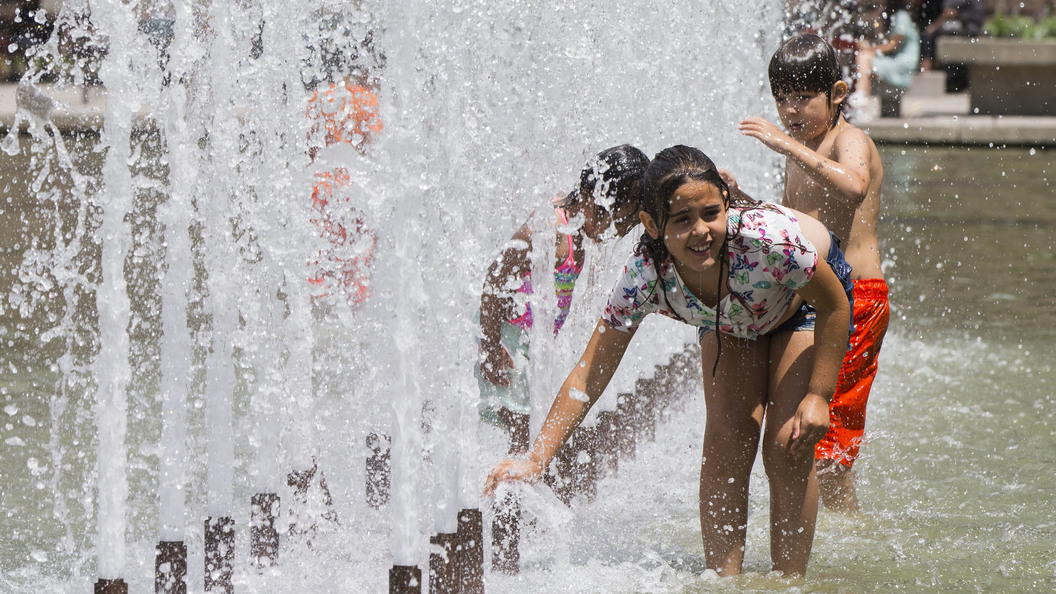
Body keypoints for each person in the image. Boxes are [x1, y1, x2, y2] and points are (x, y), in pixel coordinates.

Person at [484, 145, 853, 576]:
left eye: (711, 213)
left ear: (727, 205)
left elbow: (835, 305)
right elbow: (589, 371)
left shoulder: (765, 242)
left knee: (786, 442)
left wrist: (818, 395)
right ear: (651, 225)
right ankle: (725, 582)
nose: (700, 231)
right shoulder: (645, 274)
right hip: (730, 316)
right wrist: (536, 459)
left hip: (802, 306)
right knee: (725, 443)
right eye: (681, 221)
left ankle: (791, 581)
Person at [739, 34, 889, 513]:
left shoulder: (850, 141)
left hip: (858, 299)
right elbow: (794, 226)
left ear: (839, 93)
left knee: (828, 433)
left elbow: (854, 186)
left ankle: (850, 532)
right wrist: (739, 201)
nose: (790, 110)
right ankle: (831, 525)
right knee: (804, 427)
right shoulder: (802, 148)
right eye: (782, 99)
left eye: (803, 98)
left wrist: (785, 144)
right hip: (818, 298)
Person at [477, 145, 649, 455]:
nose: (613, 231)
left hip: (526, 342)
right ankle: (511, 491)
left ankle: (509, 483)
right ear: (586, 195)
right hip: (506, 340)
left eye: (623, 226)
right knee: (520, 424)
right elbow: (494, 279)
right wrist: (490, 347)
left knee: (524, 422)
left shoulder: (580, 230)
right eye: (608, 218)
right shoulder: (550, 229)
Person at [850, 0, 921, 120]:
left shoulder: (901, 16)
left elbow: (894, 45)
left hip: (903, 62)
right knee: (863, 59)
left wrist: (871, 50)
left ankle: (862, 100)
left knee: (864, 57)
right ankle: (862, 102)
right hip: (894, 59)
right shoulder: (890, 15)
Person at [919, 0, 984, 72]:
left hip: (967, 28)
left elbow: (949, 12)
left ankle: (925, 69)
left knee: (927, 35)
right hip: (975, 28)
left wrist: (934, 27)